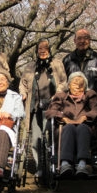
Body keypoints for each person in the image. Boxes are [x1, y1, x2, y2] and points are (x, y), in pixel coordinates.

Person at [19, 38, 67, 179]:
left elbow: (64, 82)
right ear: (36, 50)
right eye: (40, 48)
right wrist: (22, 93)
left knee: (52, 137)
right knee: (36, 140)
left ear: (49, 49)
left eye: (45, 48)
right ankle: (40, 167)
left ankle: (53, 166)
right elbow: (23, 83)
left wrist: (57, 94)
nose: (43, 50)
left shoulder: (57, 63)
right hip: (34, 108)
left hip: (52, 107)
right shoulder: (30, 66)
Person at [45, 72, 97, 176]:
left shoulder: (90, 95)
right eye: (74, 84)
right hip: (64, 130)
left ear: (85, 87)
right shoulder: (60, 96)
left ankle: (82, 164)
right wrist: (63, 118)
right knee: (69, 128)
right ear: (68, 85)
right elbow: (50, 112)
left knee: (82, 128)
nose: (78, 87)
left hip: (86, 128)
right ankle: (65, 164)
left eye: (81, 85)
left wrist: (85, 117)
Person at [63, 29, 97, 101]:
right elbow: (64, 81)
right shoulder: (68, 59)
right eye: (79, 38)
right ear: (75, 41)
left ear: (90, 40)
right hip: (72, 104)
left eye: (86, 38)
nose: (82, 41)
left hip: (93, 103)